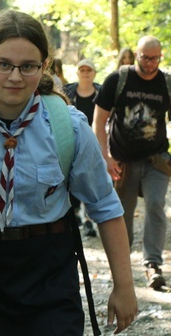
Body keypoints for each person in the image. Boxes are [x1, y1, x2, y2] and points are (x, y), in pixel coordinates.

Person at [0, 10, 137, 335]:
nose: (15, 77)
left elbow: (104, 207)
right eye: (3, 64)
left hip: (48, 274)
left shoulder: (68, 128)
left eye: (28, 66)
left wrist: (124, 285)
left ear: (44, 66)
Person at [93, 35, 171, 291]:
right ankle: (122, 267)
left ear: (161, 57)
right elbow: (99, 120)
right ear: (136, 55)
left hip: (156, 160)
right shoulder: (118, 80)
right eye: (145, 57)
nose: (150, 63)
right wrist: (105, 157)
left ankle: (153, 265)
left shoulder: (169, 84)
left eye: (155, 58)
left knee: (156, 204)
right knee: (121, 215)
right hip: (122, 161)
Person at [62, 59, 101, 237]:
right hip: (73, 142)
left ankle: (88, 220)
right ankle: (76, 213)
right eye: (82, 70)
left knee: (90, 180)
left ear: (94, 72)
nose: (85, 73)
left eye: (89, 70)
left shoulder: (101, 92)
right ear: (77, 72)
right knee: (73, 178)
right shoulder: (68, 92)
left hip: (95, 142)